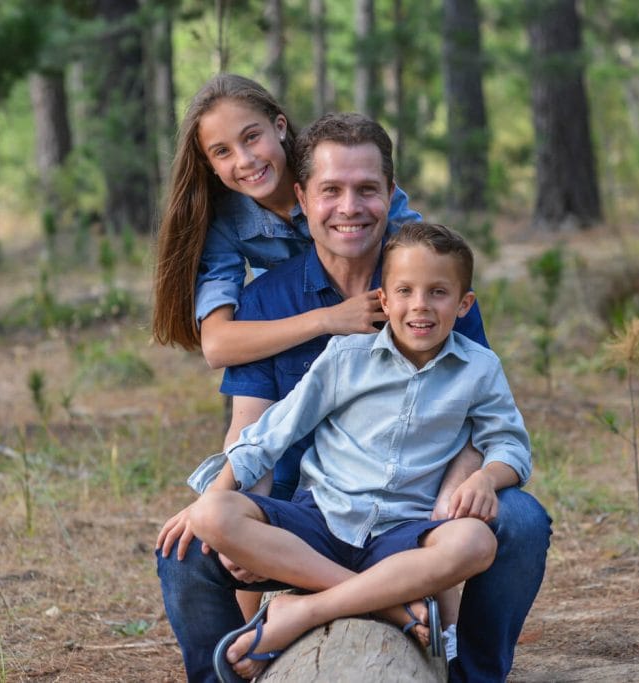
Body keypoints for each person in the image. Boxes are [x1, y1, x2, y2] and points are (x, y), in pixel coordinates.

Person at [156, 112, 551, 683]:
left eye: (367, 190)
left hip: (414, 511)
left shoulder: (431, 284)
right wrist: (221, 503)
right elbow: (256, 429)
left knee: (519, 521)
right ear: (303, 197)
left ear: (391, 195)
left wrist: (465, 488)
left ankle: (470, 673)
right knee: (189, 540)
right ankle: (252, 663)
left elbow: (481, 414)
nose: (349, 207)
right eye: (331, 191)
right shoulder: (271, 300)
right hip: (309, 507)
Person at [151, 73, 420, 370]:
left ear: (279, 127)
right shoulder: (226, 221)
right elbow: (217, 346)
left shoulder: (345, 178)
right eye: (222, 152)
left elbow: (428, 259)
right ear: (209, 164)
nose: (245, 160)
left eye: (252, 137)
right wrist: (327, 318)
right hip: (298, 349)